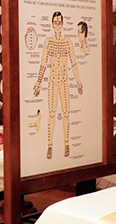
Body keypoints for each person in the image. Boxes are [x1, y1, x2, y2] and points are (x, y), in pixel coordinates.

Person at [33, 12, 83, 159]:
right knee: (51, 114)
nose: (57, 25)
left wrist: (78, 81)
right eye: (55, 22)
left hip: (64, 81)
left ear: (62, 24)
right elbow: (43, 63)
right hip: (53, 81)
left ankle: (67, 144)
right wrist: (38, 82)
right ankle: (50, 146)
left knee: (66, 113)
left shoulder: (68, 42)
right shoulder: (48, 42)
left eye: (59, 22)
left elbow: (73, 63)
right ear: (52, 24)